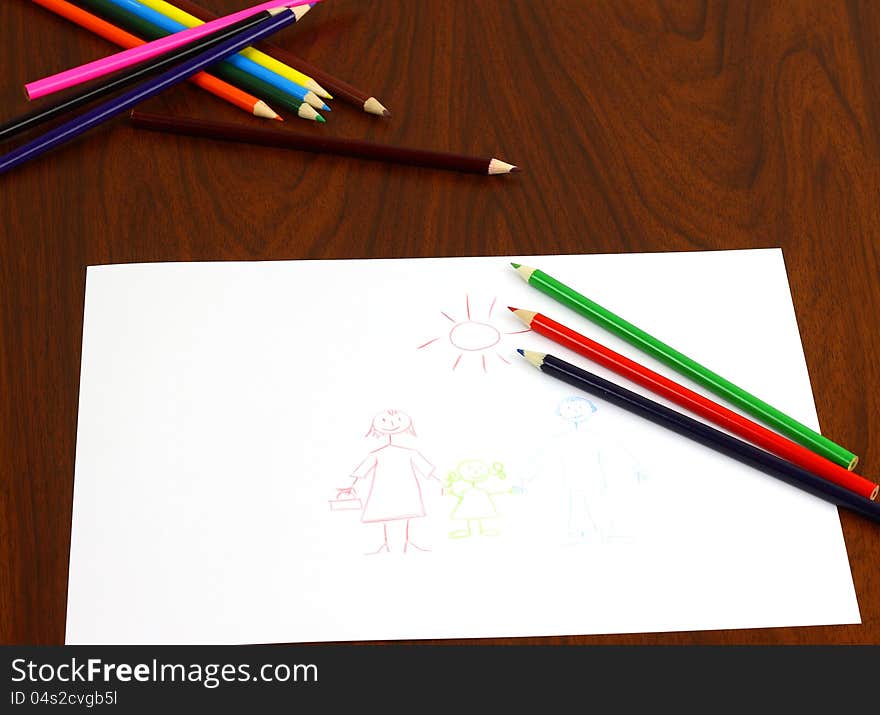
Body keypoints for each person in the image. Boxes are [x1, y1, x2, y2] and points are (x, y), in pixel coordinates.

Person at [341, 409, 441, 554]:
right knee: (389, 516)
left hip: (405, 488)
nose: (392, 424)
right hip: (384, 490)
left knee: (403, 516)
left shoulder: (410, 453)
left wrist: (441, 484)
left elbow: (428, 471)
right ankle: (388, 544)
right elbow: (361, 472)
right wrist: (350, 486)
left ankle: (404, 543)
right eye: (384, 421)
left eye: (397, 420)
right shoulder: (377, 454)